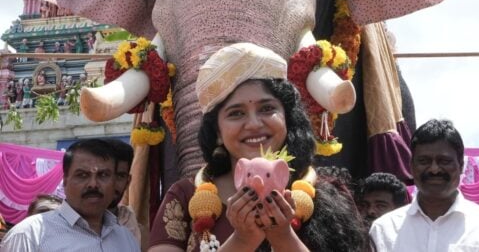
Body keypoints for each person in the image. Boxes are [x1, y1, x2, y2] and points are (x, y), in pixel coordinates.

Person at [149, 43, 367, 252]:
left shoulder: (326, 195)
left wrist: (284, 238)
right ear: (217, 132)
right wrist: (243, 241)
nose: (254, 124)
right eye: (236, 113)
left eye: (267, 109)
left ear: (287, 119)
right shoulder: (185, 197)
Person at [370, 119, 479, 251]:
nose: (434, 169)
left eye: (444, 161)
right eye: (424, 161)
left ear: (461, 165)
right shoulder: (383, 230)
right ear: (411, 166)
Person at [0, 138, 140, 251]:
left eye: (103, 175)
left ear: (115, 181)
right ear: (65, 180)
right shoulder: (29, 236)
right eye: (82, 175)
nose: (93, 184)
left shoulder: (125, 238)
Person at [104, 138, 142, 246]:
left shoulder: (134, 226)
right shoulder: (61, 228)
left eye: (120, 176)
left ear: (128, 181)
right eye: (105, 175)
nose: (112, 183)